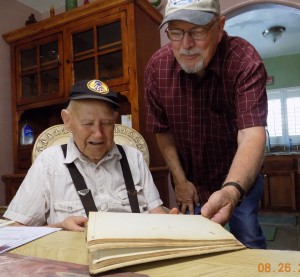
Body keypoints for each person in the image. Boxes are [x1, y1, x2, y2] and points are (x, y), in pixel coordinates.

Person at [144, 0, 268, 248]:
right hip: (191, 183)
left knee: (248, 240)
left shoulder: (243, 60)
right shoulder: (157, 69)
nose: (186, 45)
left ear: (219, 27)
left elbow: (251, 135)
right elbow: (162, 131)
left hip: (239, 181)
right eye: (176, 33)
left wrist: (231, 190)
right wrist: (180, 181)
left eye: (197, 31)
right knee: (196, 249)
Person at [4, 79, 178, 231]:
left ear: (115, 120)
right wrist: (59, 227)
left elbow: (156, 212)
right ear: (67, 120)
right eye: (88, 124)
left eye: (107, 123)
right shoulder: (48, 163)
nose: (99, 134)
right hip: (71, 265)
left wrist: (171, 220)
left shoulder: (134, 158)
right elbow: (14, 231)